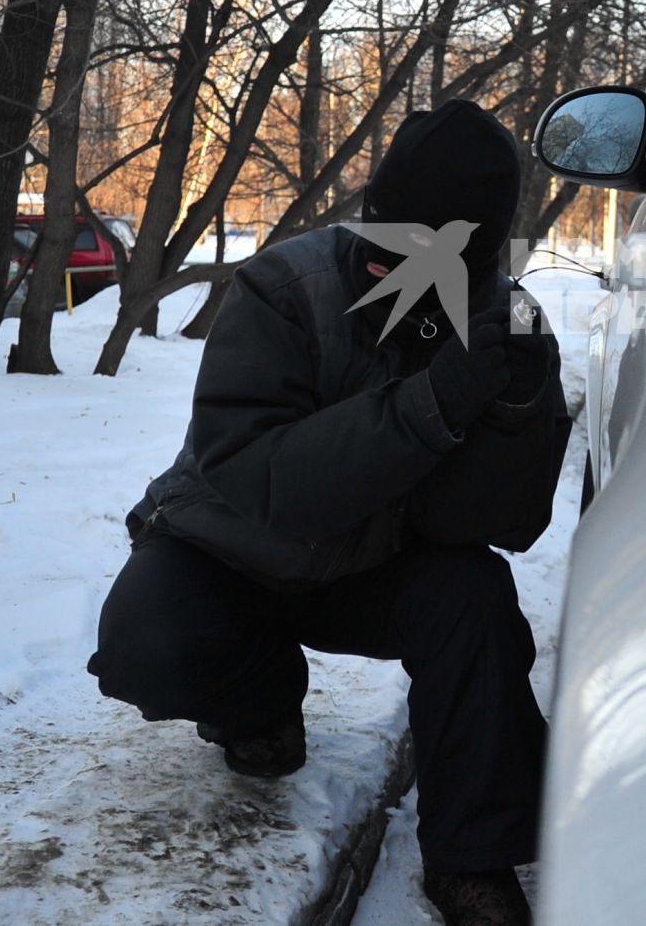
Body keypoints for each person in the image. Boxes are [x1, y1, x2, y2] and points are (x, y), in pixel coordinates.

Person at [86, 100, 569, 926]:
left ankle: (471, 856)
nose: (399, 274)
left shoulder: (506, 321)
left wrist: (517, 407)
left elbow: (502, 525)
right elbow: (259, 480)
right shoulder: (283, 288)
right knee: (146, 641)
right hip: (230, 550)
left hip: (371, 566)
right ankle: (261, 701)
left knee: (475, 601)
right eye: (387, 250)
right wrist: (430, 404)